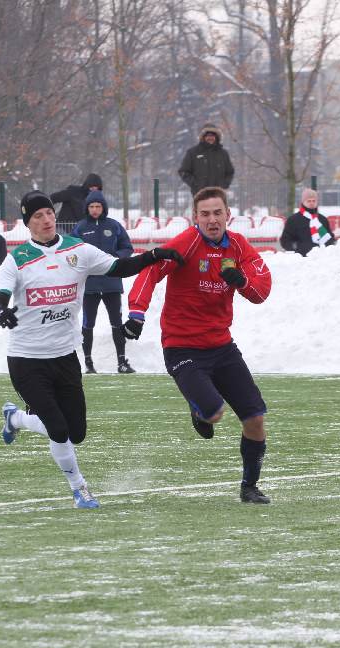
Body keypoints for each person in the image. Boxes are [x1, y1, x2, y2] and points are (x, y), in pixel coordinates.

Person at [0, 191, 184, 508]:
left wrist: (155, 254)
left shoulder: (77, 250)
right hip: (27, 360)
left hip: (65, 357)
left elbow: (120, 267)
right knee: (58, 428)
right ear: (28, 224)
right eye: (37, 216)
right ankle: (79, 489)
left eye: (48, 213)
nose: (46, 219)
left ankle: (16, 419)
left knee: (76, 431)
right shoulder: (18, 259)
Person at [124, 186, 274, 504]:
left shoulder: (238, 246)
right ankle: (200, 410)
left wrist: (243, 282)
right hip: (182, 347)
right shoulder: (185, 244)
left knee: (256, 418)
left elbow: (262, 290)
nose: (212, 219)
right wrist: (137, 312)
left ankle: (249, 487)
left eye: (217, 213)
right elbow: (150, 272)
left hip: (222, 346)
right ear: (195, 217)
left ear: (228, 215)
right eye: (205, 214)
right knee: (214, 413)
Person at [71, 190, 135, 373]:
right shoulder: (80, 228)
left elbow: (127, 247)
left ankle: (122, 362)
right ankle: (89, 364)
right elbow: (72, 252)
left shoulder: (114, 226)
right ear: (87, 208)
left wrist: (115, 258)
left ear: (103, 207)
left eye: (98, 206)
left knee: (117, 322)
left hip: (112, 283)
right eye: (91, 206)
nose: (95, 209)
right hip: (89, 285)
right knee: (87, 324)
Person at [178, 124, 234, 196]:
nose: (210, 138)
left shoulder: (223, 154)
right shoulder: (192, 153)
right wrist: (195, 184)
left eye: (213, 135)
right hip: (199, 194)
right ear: (203, 137)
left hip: (218, 195)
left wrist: (224, 185)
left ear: (217, 137)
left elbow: (230, 172)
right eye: (208, 135)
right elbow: (183, 172)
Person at [280, 188, 336, 255]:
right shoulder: (293, 220)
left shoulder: (322, 219)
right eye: (309, 201)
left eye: (314, 201)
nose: (311, 203)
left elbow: (330, 238)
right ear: (303, 202)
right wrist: (298, 247)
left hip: (321, 258)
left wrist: (327, 247)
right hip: (301, 258)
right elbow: (285, 241)